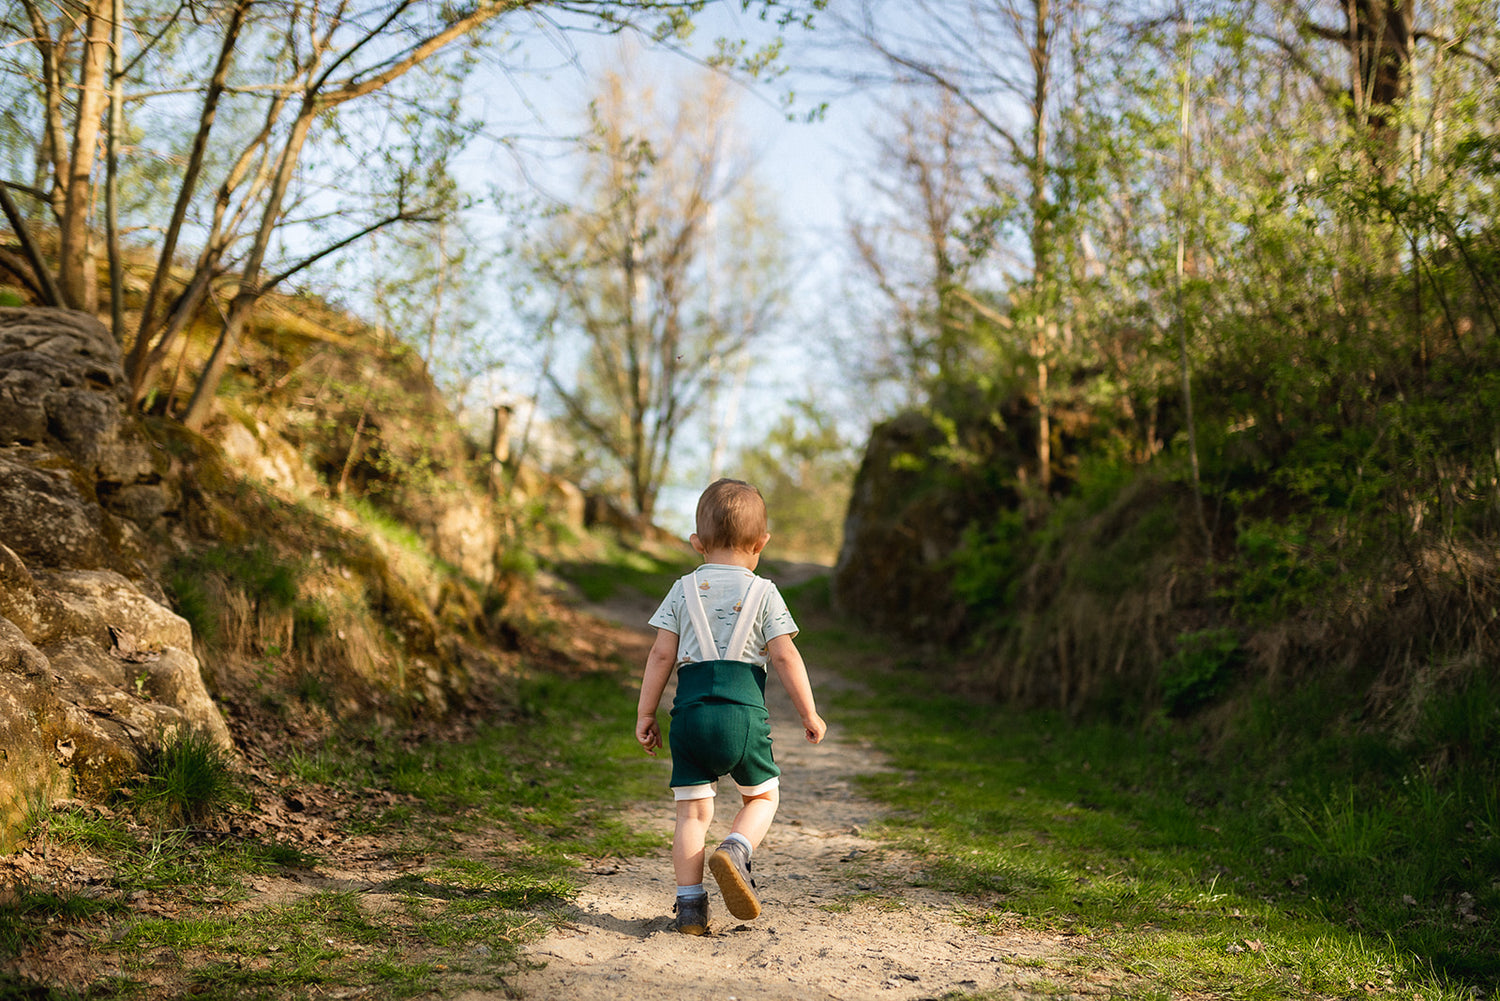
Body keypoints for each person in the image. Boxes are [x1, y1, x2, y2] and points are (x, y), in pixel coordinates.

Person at [635, 478, 828, 935]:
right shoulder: (766, 593)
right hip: (742, 718)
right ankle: (737, 849)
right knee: (763, 795)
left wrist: (645, 714)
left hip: (690, 718)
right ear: (761, 543)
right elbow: (785, 656)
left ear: (697, 543)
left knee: (692, 815)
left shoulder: (681, 590)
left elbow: (661, 654)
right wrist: (808, 712)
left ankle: (689, 907)